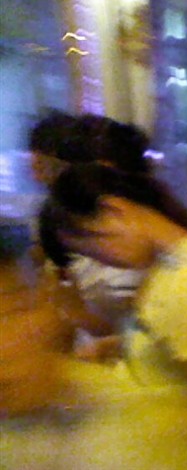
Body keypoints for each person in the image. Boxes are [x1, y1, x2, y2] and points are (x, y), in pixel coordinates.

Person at [41, 162, 187, 469]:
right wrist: (115, 346)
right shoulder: (166, 265)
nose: (103, 263)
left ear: (113, 211)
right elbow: (172, 343)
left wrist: (131, 415)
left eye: (93, 251)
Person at [28, 112, 152, 356]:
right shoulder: (72, 225)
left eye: (51, 166)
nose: (38, 174)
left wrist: (76, 313)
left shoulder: (137, 245)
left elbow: (144, 337)